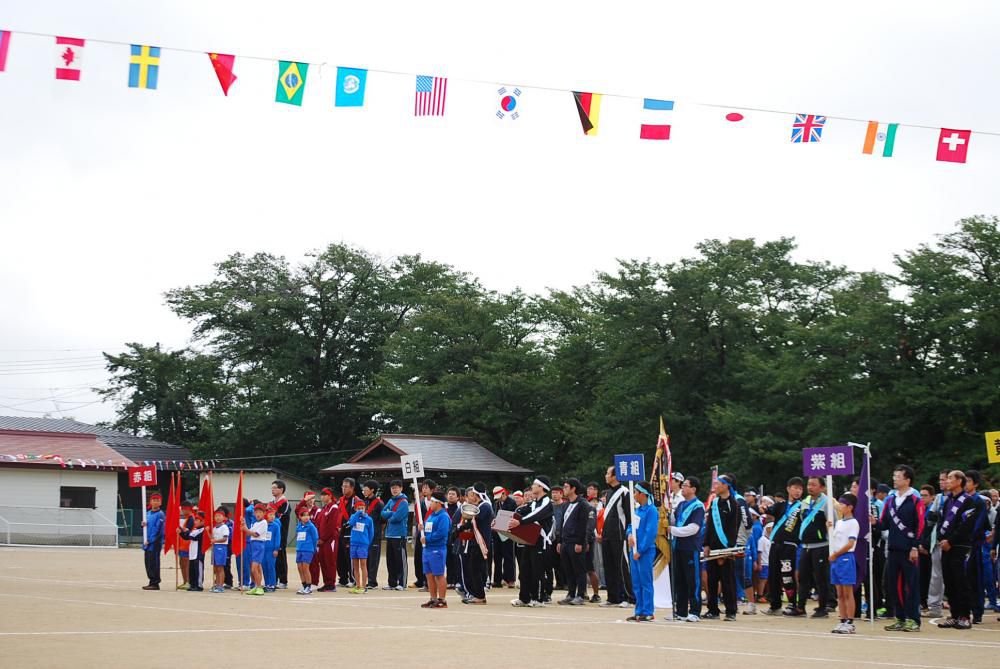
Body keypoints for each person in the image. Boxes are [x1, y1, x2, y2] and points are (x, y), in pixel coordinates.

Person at [876, 464, 924, 632]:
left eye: (898, 476)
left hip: (909, 549)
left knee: (911, 584)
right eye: (894, 476)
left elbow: (920, 525)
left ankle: (913, 619)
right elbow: (884, 524)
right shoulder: (890, 500)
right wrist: (873, 522)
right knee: (894, 585)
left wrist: (915, 547)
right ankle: (900, 617)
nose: (894, 479)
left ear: (907, 479)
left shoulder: (915, 500)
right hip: (894, 548)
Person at [788, 477, 831, 618]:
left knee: (821, 578)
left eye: (814, 485)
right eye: (809, 484)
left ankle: (823, 607)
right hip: (805, 545)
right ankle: (800, 607)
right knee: (802, 577)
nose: (810, 487)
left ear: (822, 487)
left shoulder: (827, 503)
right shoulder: (805, 502)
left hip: (821, 545)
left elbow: (833, 523)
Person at [937, 470, 975, 629]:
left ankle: (964, 616)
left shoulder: (968, 501)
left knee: (960, 580)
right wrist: (941, 538)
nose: (947, 481)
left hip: (959, 546)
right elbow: (942, 520)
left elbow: (965, 525)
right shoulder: (947, 501)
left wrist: (951, 541)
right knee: (949, 581)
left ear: (960, 481)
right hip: (945, 546)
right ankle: (954, 614)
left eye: (951, 478)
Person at [510, 476, 555, 607]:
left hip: (541, 541)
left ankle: (538, 599)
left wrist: (520, 521)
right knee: (525, 569)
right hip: (530, 540)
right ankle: (524, 598)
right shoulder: (534, 502)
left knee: (538, 570)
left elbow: (536, 515)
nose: (532, 487)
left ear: (541, 487)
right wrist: (504, 520)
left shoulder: (547, 502)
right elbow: (521, 511)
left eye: (535, 484)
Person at [764, 477, 804, 615]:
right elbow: (767, 510)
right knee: (773, 575)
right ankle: (775, 605)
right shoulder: (780, 505)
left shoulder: (802, 507)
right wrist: (763, 507)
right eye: (795, 488)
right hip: (775, 545)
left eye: (800, 489)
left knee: (787, 575)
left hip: (790, 546)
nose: (798, 491)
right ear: (788, 489)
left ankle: (792, 603)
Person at [703, 474, 741, 620]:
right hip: (712, 548)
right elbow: (710, 525)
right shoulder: (714, 503)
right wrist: (706, 544)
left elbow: (734, 527)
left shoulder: (734, 504)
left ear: (726, 486)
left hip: (726, 548)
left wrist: (728, 549)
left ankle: (731, 610)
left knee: (727, 581)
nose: (715, 487)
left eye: (718, 484)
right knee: (711, 580)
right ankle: (713, 609)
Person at [669, 476, 704, 621]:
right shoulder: (681, 504)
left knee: (693, 581)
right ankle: (681, 611)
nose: (682, 488)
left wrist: (672, 530)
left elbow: (693, 528)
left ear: (693, 489)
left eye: (685, 485)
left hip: (691, 548)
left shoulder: (698, 506)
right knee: (680, 581)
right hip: (678, 547)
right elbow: (674, 520)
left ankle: (695, 611)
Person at [600, 466, 633, 608]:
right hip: (607, 535)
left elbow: (629, 516)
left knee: (621, 566)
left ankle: (627, 596)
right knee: (608, 566)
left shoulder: (625, 492)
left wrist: (629, 533)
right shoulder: (607, 493)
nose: (606, 475)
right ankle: (612, 597)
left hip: (620, 535)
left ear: (615, 476)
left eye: (608, 473)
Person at [626, 480, 658, 622]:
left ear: (642, 494)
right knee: (636, 581)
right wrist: (629, 535)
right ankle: (639, 610)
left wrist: (641, 549)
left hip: (644, 551)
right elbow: (630, 526)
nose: (634, 495)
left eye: (635, 492)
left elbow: (650, 533)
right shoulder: (637, 509)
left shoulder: (651, 510)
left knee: (646, 581)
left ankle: (648, 611)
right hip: (634, 550)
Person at [557, 478, 591, 606]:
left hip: (576, 541)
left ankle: (581, 595)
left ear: (573, 489)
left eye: (566, 487)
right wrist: (560, 541)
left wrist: (580, 542)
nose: (564, 489)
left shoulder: (582, 504)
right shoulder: (566, 504)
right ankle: (571, 594)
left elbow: (583, 525)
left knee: (579, 569)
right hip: (565, 541)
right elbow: (562, 523)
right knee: (568, 569)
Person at [458, 483, 493, 604]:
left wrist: (462, 527)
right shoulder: (481, 506)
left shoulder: (485, 506)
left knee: (476, 569)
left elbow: (473, 520)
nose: (471, 496)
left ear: (476, 494)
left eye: (472, 494)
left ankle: (480, 595)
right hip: (475, 541)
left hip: (481, 541)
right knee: (473, 568)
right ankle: (476, 593)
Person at [829, 493, 859, 634]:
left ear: (850, 507)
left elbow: (850, 543)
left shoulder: (853, 523)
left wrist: (836, 554)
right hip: (836, 559)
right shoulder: (839, 522)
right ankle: (842, 619)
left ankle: (850, 621)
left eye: (842, 504)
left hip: (845, 558)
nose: (840, 507)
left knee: (848, 592)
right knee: (839, 592)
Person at [963, 469, 989, 624]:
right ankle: (964, 610)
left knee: (975, 578)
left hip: (974, 545)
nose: (966, 485)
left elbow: (980, 524)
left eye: (969, 481)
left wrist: (969, 537)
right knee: (963, 579)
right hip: (962, 545)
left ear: (976, 484)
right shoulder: (963, 500)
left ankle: (977, 611)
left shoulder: (979, 501)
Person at [923, 470, 949, 618]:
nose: (942, 482)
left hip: (953, 542)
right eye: (941, 480)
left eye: (945, 479)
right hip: (937, 540)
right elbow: (930, 518)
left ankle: (960, 607)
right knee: (936, 576)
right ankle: (934, 607)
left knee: (953, 575)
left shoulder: (961, 499)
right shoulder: (939, 498)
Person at [420, 489, 452, 608]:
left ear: (438, 503)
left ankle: (442, 599)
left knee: (438, 574)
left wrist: (428, 539)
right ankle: (433, 598)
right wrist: (422, 529)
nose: (430, 503)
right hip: (427, 549)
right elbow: (429, 530)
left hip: (437, 549)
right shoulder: (431, 515)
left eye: (432, 501)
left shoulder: (443, 516)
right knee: (429, 574)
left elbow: (442, 533)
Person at [381, 479, 410, 591]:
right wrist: (391, 514)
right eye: (392, 488)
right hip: (390, 534)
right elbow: (383, 513)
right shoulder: (390, 500)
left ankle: (402, 583)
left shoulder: (403, 501)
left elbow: (397, 518)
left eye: (397, 487)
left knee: (400, 560)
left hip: (399, 534)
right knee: (390, 560)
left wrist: (390, 514)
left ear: (401, 489)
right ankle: (392, 583)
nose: (394, 490)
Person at [312, 487, 341, 592]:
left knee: (330, 561)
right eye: (321, 495)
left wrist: (323, 538)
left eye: (324, 495)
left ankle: (331, 584)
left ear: (330, 496)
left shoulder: (334, 507)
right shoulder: (324, 508)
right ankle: (326, 583)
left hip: (330, 539)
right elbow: (319, 524)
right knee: (323, 561)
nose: (322, 497)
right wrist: (318, 537)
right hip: (322, 540)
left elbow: (331, 525)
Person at [337, 478, 363, 588]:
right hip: (339, 532)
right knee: (340, 557)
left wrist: (344, 526)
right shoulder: (340, 500)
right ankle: (343, 578)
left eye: (346, 486)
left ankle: (353, 579)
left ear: (352, 488)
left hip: (350, 532)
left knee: (349, 557)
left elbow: (356, 517)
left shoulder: (356, 501)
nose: (344, 488)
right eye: (343, 486)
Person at [491, 486, 517, 588]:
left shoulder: (511, 502)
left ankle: (510, 579)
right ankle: (497, 580)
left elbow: (509, 515)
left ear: (503, 493)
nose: (498, 499)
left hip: (507, 532)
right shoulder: (496, 503)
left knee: (508, 556)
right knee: (497, 556)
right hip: (497, 531)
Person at [412, 479, 435, 591]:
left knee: (429, 558)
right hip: (420, 534)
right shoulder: (419, 503)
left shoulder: (437, 503)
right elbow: (417, 518)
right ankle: (420, 580)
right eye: (423, 488)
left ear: (432, 490)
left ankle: (428, 582)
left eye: (427, 488)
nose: (424, 490)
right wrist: (419, 526)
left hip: (431, 535)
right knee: (418, 557)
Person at [361, 481, 385, 589]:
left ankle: (372, 582)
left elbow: (384, 520)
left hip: (375, 535)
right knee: (366, 558)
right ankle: (366, 580)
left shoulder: (379, 503)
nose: (364, 490)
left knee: (374, 559)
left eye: (366, 489)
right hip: (364, 535)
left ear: (372, 490)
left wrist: (379, 532)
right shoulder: (364, 502)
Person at [141, 492, 165, 590]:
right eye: (153, 500)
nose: (155, 502)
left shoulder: (160, 515)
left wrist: (150, 540)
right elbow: (146, 527)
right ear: (150, 502)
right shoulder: (147, 513)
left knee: (154, 562)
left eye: (157, 500)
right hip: (147, 543)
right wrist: (142, 525)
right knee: (148, 563)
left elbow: (158, 529)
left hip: (154, 543)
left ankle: (155, 582)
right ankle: (151, 581)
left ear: (160, 502)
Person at [270, 480, 291, 590]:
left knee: (281, 556)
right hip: (271, 534)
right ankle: (274, 579)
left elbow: (280, 516)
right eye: (272, 488)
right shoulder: (271, 502)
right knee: (273, 556)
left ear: (281, 489)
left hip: (281, 533)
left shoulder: (285, 503)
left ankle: (283, 580)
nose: (272, 490)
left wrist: (272, 514)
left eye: (275, 488)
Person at [243, 502, 268, 596]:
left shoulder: (263, 522)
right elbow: (249, 532)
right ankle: (256, 586)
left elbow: (255, 534)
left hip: (259, 545)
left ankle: (259, 587)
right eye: (256, 512)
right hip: (253, 545)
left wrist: (245, 529)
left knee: (254, 568)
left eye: (260, 512)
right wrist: (244, 525)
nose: (258, 514)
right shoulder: (255, 523)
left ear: (264, 513)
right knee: (256, 568)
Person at [179, 510, 207, 592]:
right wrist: (181, 532)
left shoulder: (203, 530)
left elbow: (194, 537)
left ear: (202, 521)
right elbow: (187, 537)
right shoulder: (195, 530)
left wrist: (186, 531)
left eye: (197, 520)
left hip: (198, 553)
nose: (195, 522)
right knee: (192, 570)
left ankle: (199, 585)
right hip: (192, 553)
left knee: (198, 570)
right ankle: (192, 584)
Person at [295, 506, 319, 595]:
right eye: (304, 515)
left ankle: (308, 586)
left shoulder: (311, 527)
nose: (306, 517)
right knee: (299, 568)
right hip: (299, 549)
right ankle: (304, 585)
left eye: (307, 515)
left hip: (308, 550)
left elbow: (315, 538)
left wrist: (313, 549)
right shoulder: (299, 527)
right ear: (300, 517)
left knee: (305, 568)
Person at [550, 485, 567, 592]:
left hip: (563, 536)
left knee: (563, 561)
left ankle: (566, 583)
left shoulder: (565, 506)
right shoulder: (550, 506)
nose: (554, 494)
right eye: (553, 492)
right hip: (552, 537)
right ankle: (559, 582)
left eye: (557, 492)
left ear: (561, 494)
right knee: (554, 561)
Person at [445, 486, 463, 590]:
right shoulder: (444, 508)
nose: (451, 496)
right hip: (447, 537)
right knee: (448, 559)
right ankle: (450, 580)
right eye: (449, 494)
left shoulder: (460, 508)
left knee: (456, 559)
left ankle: (457, 580)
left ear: (458, 497)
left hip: (457, 537)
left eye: (453, 494)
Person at [210, 508, 230, 593]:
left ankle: (221, 586)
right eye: (216, 516)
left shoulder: (224, 527)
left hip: (221, 548)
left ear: (223, 517)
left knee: (220, 567)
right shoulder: (214, 528)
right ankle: (217, 584)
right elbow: (213, 539)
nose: (217, 518)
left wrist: (215, 541)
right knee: (216, 568)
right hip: (215, 547)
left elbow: (225, 538)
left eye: (219, 516)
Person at [263, 504, 282, 592]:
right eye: (270, 515)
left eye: (273, 515)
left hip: (271, 550)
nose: (272, 517)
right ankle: (267, 584)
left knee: (271, 567)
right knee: (264, 567)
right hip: (263, 549)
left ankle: (272, 584)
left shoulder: (276, 526)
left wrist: (276, 549)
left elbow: (277, 538)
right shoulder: (263, 525)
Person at [176, 505, 192, 590]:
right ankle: (185, 581)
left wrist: (180, 529)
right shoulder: (185, 519)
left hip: (187, 544)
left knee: (186, 564)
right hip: (181, 544)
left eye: (184, 509)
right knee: (182, 563)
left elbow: (188, 532)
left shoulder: (191, 519)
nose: (182, 511)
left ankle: (188, 581)